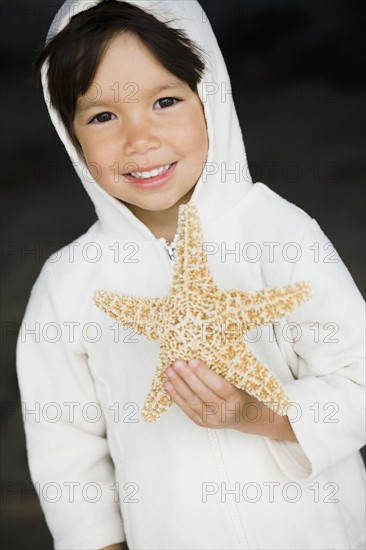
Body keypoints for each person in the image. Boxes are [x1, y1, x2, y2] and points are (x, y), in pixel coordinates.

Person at [16, 1, 365, 549]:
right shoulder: (69, 284)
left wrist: (259, 412)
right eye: (103, 115)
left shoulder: (280, 232)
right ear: (70, 134)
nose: (140, 139)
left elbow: (359, 378)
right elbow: (66, 450)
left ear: (212, 100)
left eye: (166, 101)